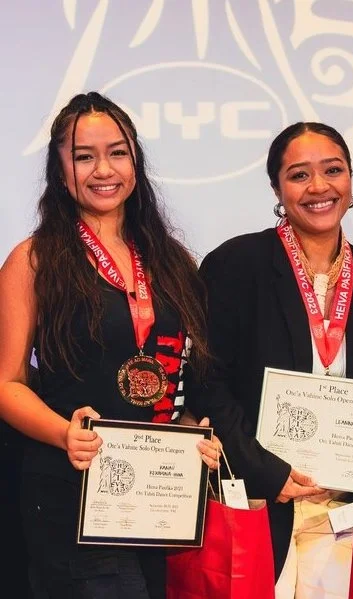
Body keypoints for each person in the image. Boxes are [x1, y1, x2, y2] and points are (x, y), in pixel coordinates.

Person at [187, 122, 353, 598]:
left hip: (352, 511)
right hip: (259, 501)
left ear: (352, 180)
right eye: (299, 175)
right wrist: (267, 473)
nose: (319, 187)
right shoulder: (236, 265)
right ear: (276, 187)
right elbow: (208, 381)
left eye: (333, 170)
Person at [0, 92, 217, 599]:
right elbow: (7, 384)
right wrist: (63, 434)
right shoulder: (33, 260)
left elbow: (175, 379)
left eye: (118, 152)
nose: (104, 169)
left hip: (157, 500)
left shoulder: (172, 260)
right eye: (84, 156)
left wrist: (191, 431)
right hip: (71, 494)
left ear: (136, 161)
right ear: (60, 169)